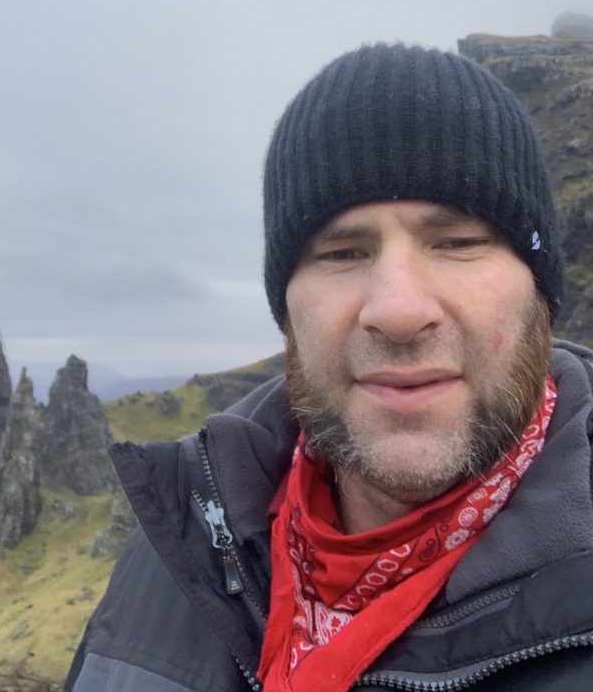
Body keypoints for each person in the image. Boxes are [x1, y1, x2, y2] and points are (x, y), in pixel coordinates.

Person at [65, 44, 593, 692]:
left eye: (458, 243)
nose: (398, 311)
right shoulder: (171, 561)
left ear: (541, 291)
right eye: (342, 252)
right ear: (286, 309)